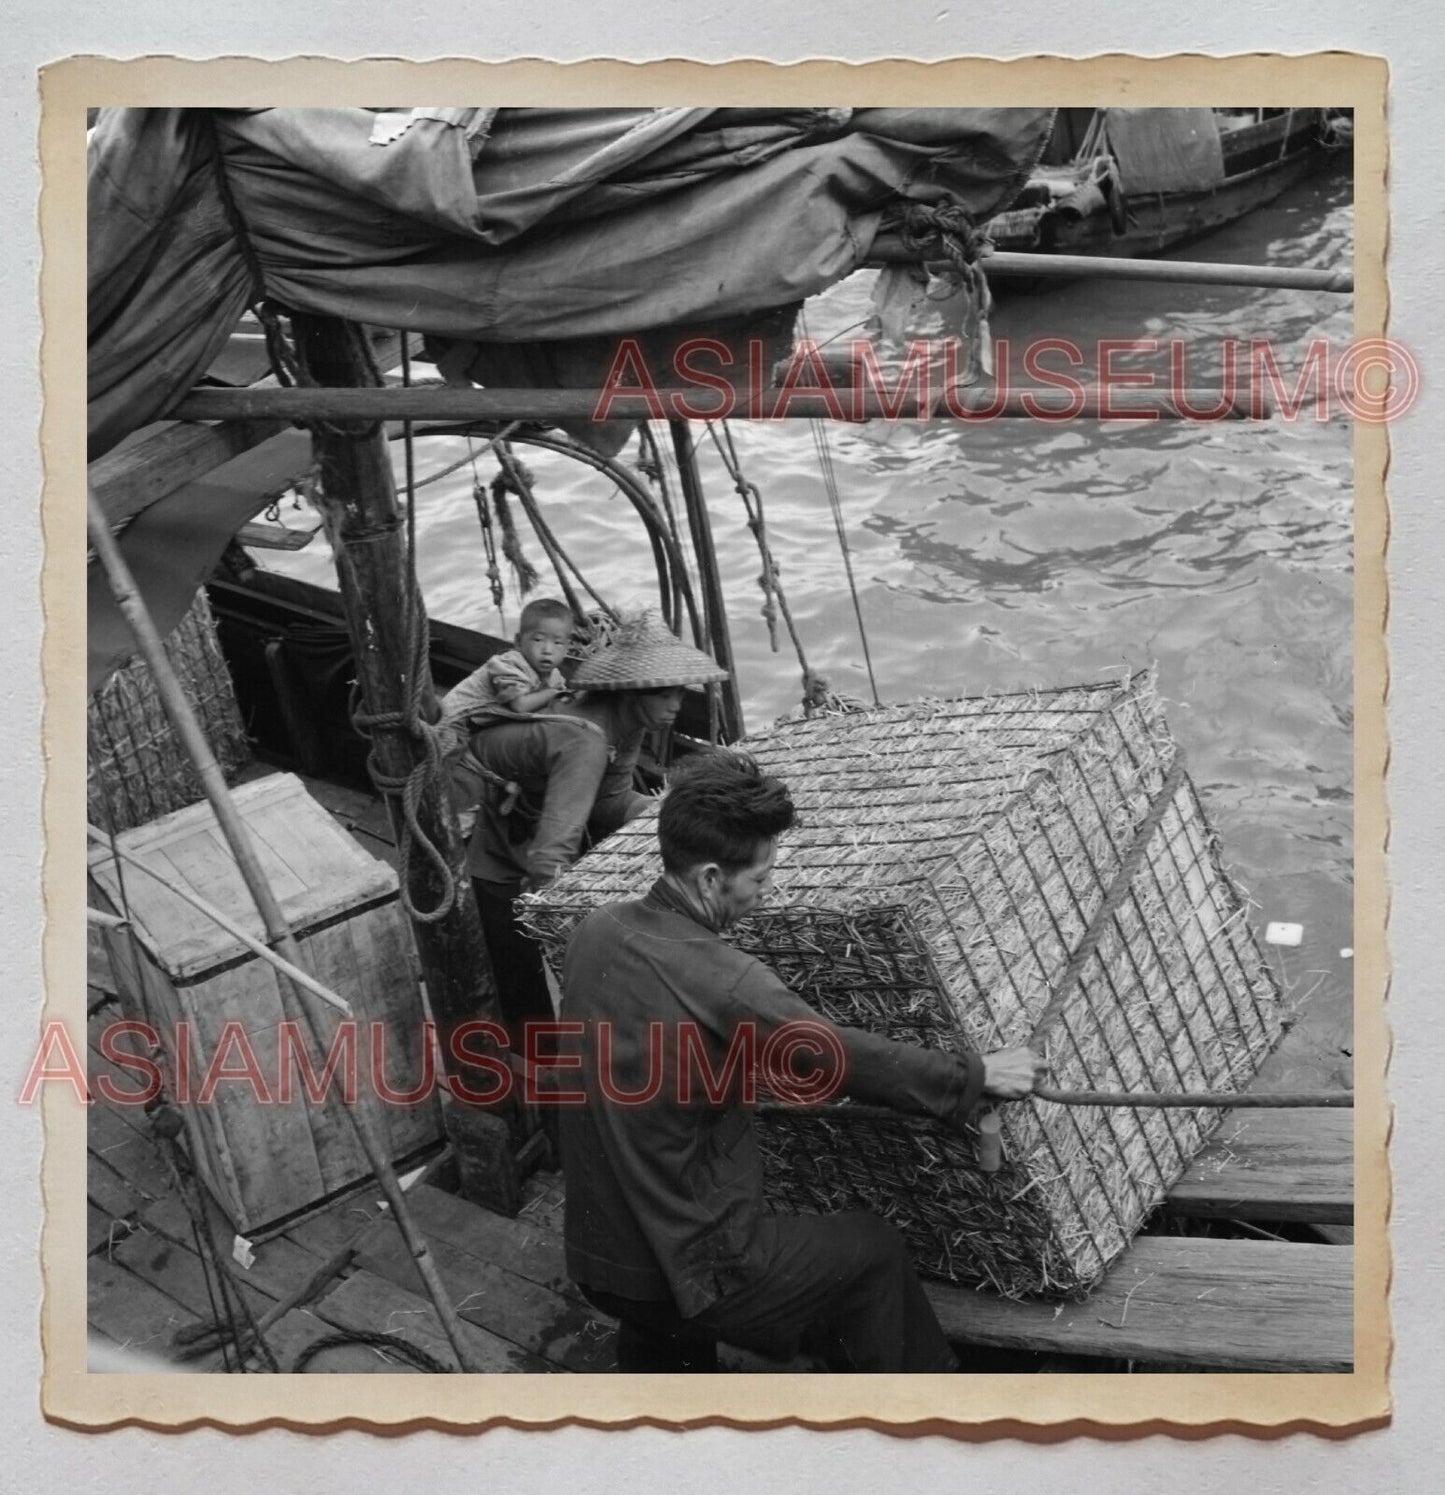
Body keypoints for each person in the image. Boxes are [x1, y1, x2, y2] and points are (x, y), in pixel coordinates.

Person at [557, 752, 1045, 1373]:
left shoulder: (593, 931)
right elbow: (839, 1056)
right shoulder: (729, 982)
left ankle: (669, 1416)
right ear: (709, 879)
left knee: (665, 1326)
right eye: (759, 882)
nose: (765, 898)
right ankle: (926, 1415)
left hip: (600, 1263)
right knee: (872, 1249)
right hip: (688, 1273)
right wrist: (974, 1076)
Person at [462, 614, 729, 1039]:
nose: (675, 706)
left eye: (679, 693)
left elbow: (610, 800)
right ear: (632, 692)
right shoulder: (586, 739)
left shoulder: (627, 726)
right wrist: (561, 928)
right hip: (476, 811)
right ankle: (535, 1062)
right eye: (663, 694)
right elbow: (551, 853)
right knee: (512, 948)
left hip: (526, 808)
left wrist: (679, 810)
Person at [439, 596, 573, 747]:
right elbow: (520, 706)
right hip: (454, 721)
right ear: (518, 641)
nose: (548, 650)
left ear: (567, 648)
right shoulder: (509, 664)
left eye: (557, 643)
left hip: (483, 722)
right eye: (538, 640)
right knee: (449, 754)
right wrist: (553, 693)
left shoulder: (554, 676)